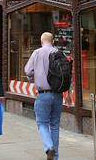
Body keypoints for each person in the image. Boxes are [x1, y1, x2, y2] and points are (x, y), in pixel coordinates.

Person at [24, 32, 72, 160]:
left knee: (42, 123)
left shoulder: (37, 53)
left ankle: (48, 147)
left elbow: (28, 71)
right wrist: (69, 94)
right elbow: (67, 75)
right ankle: (54, 157)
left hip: (43, 95)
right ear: (53, 42)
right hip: (58, 95)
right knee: (55, 125)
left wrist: (34, 75)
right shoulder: (59, 53)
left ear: (41, 42)